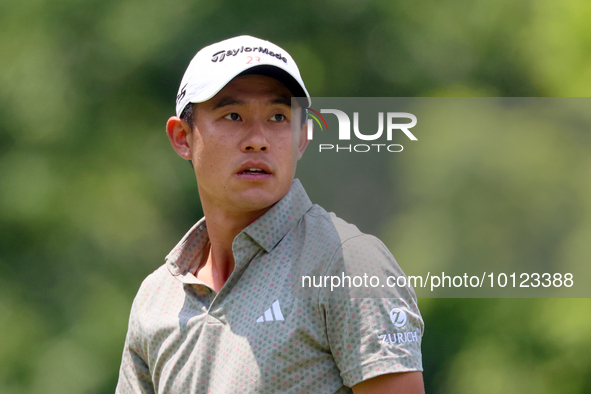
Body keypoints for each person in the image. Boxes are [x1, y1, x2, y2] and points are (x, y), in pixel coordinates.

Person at [116, 35, 424, 393]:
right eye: (233, 115)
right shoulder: (156, 298)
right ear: (182, 137)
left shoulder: (347, 262)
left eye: (278, 117)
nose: (258, 139)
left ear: (302, 138)